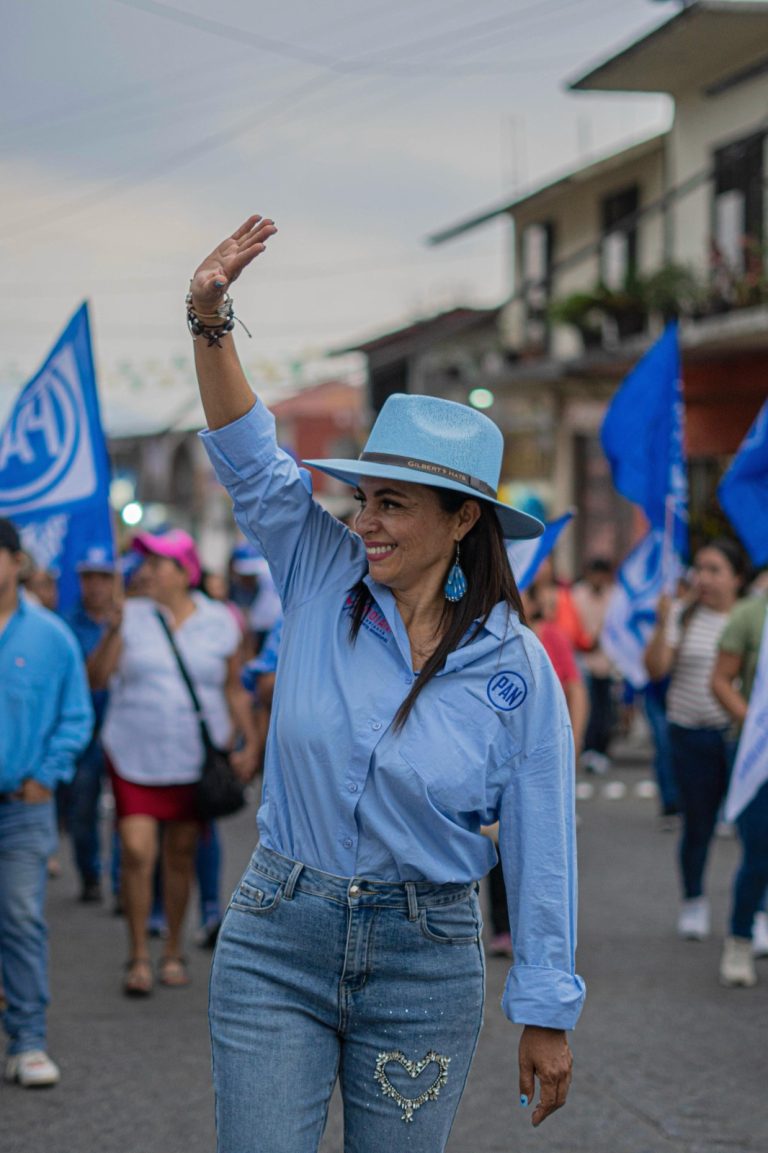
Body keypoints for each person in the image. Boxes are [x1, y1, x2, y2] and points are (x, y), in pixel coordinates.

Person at [189, 216, 584, 1152]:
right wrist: (209, 317)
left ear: (461, 522)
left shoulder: (515, 669)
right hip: (277, 938)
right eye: (364, 497)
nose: (365, 520)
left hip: (426, 961)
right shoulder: (320, 572)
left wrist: (546, 1007)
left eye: (393, 503)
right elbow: (250, 456)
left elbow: (544, 846)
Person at [89, 529, 260, 997]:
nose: (146, 571)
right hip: (133, 752)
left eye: (158, 563)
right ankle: (139, 953)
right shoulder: (131, 615)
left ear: (183, 572)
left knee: (180, 855)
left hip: (193, 759)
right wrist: (114, 629)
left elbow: (232, 687)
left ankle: (172, 951)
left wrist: (249, 740)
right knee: (139, 851)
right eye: (145, 563)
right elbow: (97, 679)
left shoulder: (220, 620)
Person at [0, 519, 93, 1087]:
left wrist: (47, 775)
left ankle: (28, 1040)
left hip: (23, 806)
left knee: (19, 916)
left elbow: (75, 716)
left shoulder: (51, 635)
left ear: (17, 562)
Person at [645, 538, 747, 941]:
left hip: (738, 738)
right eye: (699, 569)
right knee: (698, 825)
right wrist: (660, 623)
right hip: (689, 735)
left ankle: (753, 912)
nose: (702, 578)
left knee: (754, 829)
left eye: (714, 570)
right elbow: (655, 671)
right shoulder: (682, 617)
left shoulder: (749, 618)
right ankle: (693, 900)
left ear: (737, 578)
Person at [485, 568, 587, 958]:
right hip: (499, 762)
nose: (528, 597)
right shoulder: (487, 643)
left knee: (541, 849)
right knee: (498, 847)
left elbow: (575, 691)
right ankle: (503, 926)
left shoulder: (552, 640)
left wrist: (571, 744)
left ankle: (543, 940)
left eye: (533, 590)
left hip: (539, 759)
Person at [711, 575, 768, 986]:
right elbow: (721, 681)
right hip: (759, 755)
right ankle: (739, 941)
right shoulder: (751, 615)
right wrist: (757, 727)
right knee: (759, 854)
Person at [62, 546, 121, 903]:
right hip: (86, 734)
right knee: (82, 809)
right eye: (89, 577)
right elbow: (86, 680)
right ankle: (90, 874)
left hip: (125, 731)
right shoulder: (67, 624)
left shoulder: (135, 620)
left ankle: (121, 882)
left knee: (128, 816)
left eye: (104, 576)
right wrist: (110, 635)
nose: (96, 585)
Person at [571, 557, 617, 774]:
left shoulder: (614, 596)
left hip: (608, 665)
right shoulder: (576, 595)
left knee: (606, 711)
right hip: (585, 662)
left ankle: (601, 750)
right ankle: (588, 751)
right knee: (590, 709)